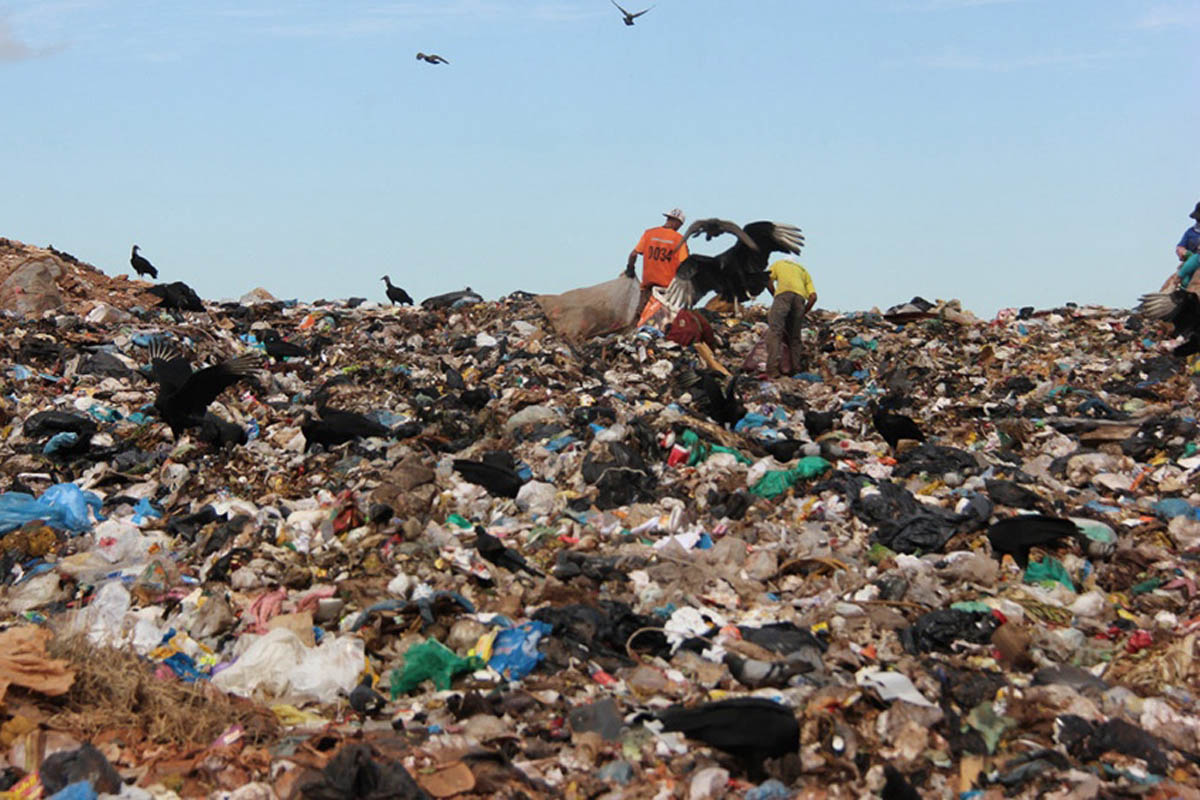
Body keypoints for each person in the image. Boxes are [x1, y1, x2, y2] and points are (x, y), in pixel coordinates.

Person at [625, 208, 690, 311]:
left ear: (668, 218)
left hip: (647, 291)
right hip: (666, 293)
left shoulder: (649, 233)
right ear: (678, 224)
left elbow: (633, 254)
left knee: (638, 319)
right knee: (665, 324)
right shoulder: (679, 240)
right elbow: (685, 265)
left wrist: (630, 269)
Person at [764, 257, 817, 378]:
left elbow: (767, 279)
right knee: (795, 337)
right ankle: (796, 369)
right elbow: (813, 297)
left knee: (775, 331)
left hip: (783, 295)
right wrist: (803, 312)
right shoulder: (803, 271)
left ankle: (772, 369)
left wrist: (775, 295)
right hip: (799, 300)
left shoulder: (779, 264)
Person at [1172, 202, 1200, 291]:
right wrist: (1186, 253)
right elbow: (1180, 247)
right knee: (1185, 279)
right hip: (1192, 261)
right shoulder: (1191, 232)